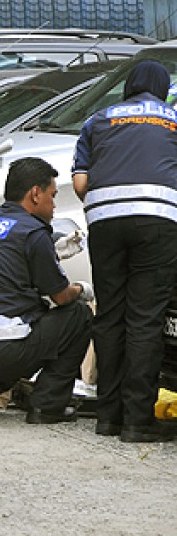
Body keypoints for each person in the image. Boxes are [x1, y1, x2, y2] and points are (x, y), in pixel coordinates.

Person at [72, 60, 177, 443]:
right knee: (145, 318)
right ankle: (137, 421)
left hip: (105, 220)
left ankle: (108, 417)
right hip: (158, 219)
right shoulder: (173, 118)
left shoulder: (98, 119)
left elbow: (81, 183)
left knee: (111, 314)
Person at [0, 157, 94, 423]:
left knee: (23, 323)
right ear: (35, 194)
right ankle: (47, 406)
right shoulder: (34, 232)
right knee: (77, 315)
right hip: (0, 351)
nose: (54, 205)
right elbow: (61, 297)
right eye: (52, 196)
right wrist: (82, 289)